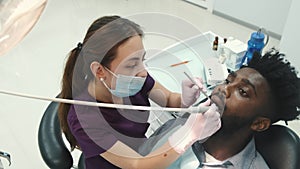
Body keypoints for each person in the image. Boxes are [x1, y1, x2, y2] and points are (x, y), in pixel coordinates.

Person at [58, 15, 221, 169]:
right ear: (100, 70)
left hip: (143, 151)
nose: (142, 72)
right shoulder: (85, 119)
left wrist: (185, 99)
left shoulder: (133, 79)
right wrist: (188, 136)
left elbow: (170, 99)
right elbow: (137, 165)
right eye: (131, 64)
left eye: (141, 60)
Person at [147, 49, 300, 169]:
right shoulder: (180, 127)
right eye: (228, 80)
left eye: (243, 92)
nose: (223, 89)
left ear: (259, 124)